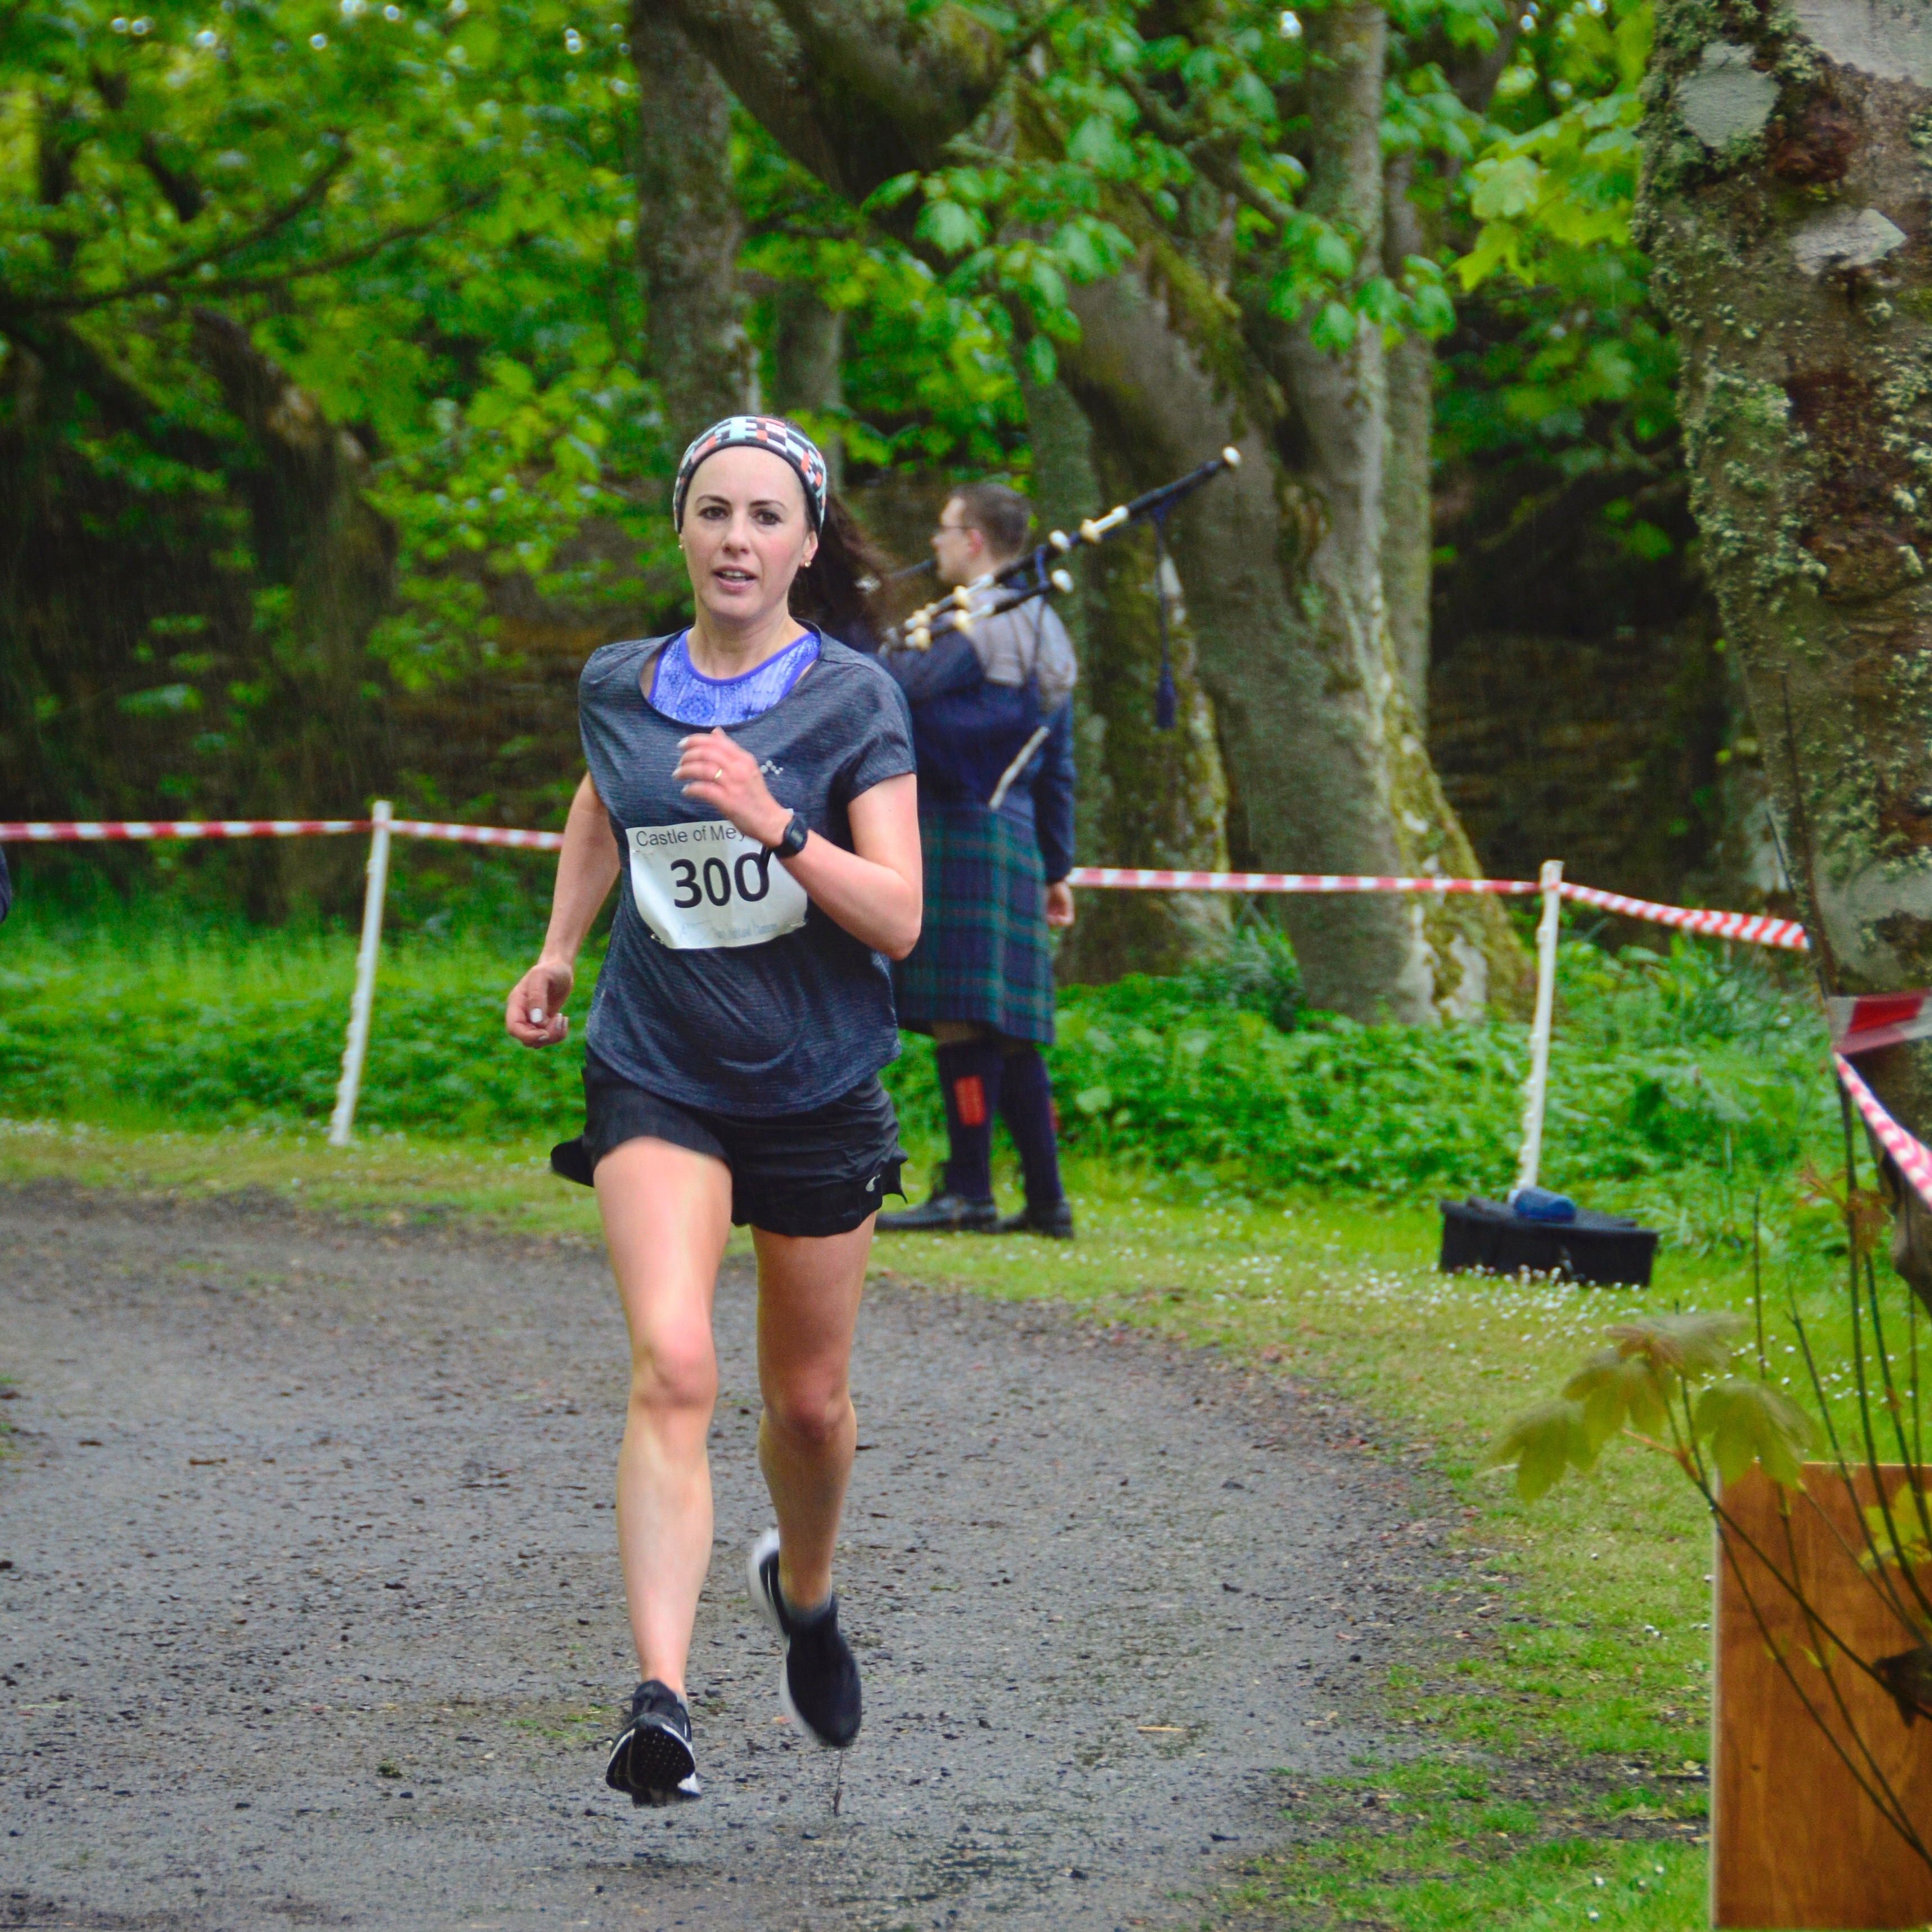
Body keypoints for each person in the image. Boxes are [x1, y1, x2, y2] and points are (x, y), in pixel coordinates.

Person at [504, 415, 921, 1808]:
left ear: (807, 542)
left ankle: (804, 1593)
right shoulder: (618, 684)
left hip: (814, 1085)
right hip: (657, 1066)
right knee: (674, 1364)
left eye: (766, 517)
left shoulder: (855, 700)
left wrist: (777, 824)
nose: (738, 539)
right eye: (714, 513)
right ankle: (661, 1704)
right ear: (681, 531)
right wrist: (563, 945)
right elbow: (605, 806)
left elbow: (903, 918)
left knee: (806, 1407)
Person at [875, 483, 1078, 1239]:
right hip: (1018, 833)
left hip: (961, 824)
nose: (934, 540)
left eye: (944, 526)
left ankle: (967, 1189)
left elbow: (900, 689)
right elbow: (1059, 766)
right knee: (1011, 1027)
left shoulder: (978, 622)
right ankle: (1047, 1199)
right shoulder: (1048, 628)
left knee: (964, 1020)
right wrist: (1056, 864)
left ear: (975, 541)